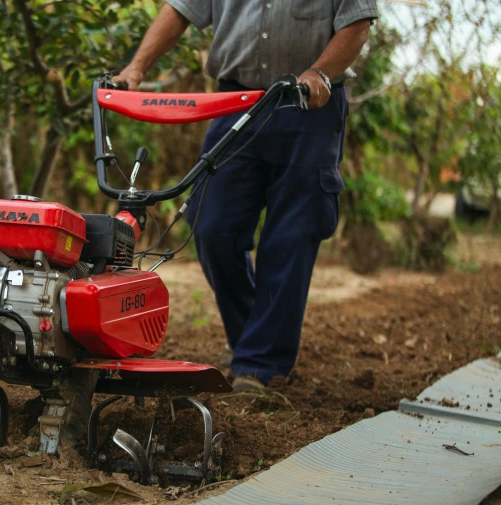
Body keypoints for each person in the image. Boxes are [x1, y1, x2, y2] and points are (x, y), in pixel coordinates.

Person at [114, 1, 378, 391]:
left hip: (308, 103)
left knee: (291, 235)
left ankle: (260, 362)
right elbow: (181, 9)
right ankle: (253, 339)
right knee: (211, 224)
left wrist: (320, 71)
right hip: (237, 101)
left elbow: (357, 23)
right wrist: (136, 68)